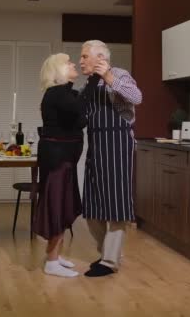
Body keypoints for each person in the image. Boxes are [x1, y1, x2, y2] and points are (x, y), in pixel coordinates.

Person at [78, 40, 142, 277]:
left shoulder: (119, 74)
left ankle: (110, 261)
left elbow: (136, 97)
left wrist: (109, 77)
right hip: (95, 143)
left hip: (117, 143)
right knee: (93, 205)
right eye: (82, 57)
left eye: (85, 56)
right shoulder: (89, 82)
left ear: (101, 58)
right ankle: (107, 253)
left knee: (116, 203)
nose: (81, 60)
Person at [32, 53, 87, 278]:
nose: (73, 64)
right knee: (57, 206)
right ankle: (51, 262)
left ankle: (53, 255)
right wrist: (93, 82)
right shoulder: (56, 93)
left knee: (63, 204)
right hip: (58, 158)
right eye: (68, 63)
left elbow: (80, 119)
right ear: (58, 71)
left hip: (65, 158)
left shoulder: (66, 94)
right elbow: (80, 112)